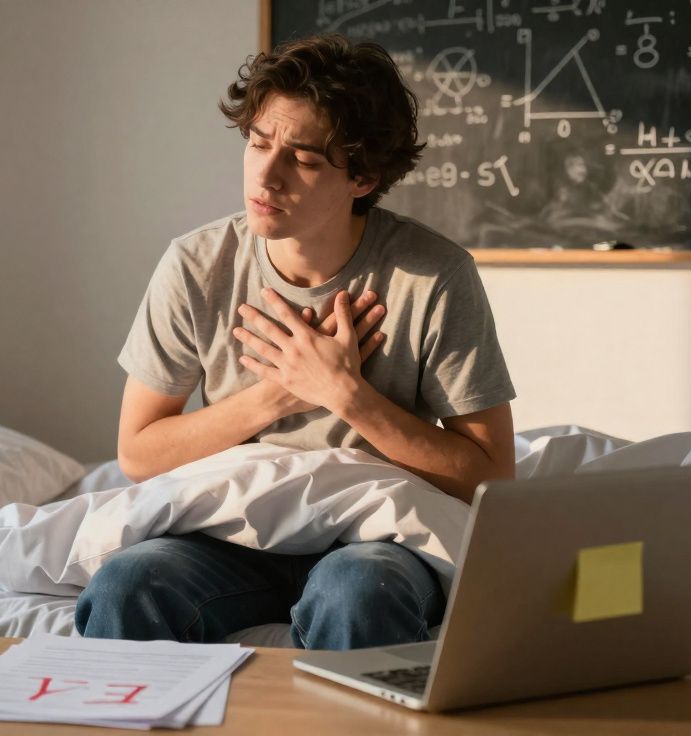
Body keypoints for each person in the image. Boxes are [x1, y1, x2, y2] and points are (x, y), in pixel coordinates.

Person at [75, 34, 517, 650]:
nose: (266, 174)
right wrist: (277, 395)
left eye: (303, 160)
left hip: (377, 537)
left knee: (358, 594)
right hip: (230, 529)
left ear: (361, 177)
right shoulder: (197, 265)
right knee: (127, 585)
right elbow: (140, 453)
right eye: (258, 143)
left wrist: (345, 394)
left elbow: (489, 476)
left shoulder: (433, 275)